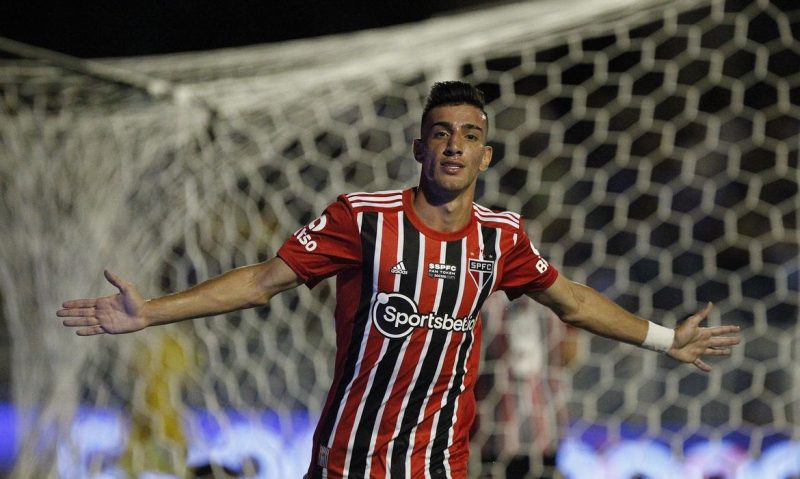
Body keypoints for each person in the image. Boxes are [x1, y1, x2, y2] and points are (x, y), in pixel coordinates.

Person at [58, 81, 740, 479]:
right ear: (419, 147)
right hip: (345, 461)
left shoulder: (502, 237)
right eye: (441, 132)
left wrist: (662, 338)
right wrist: (151, 313)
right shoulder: (361, 218)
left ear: (485, 153)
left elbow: (575, 303)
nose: (453, 145)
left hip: (438, 465)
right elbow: (262, 281)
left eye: (469, 134)